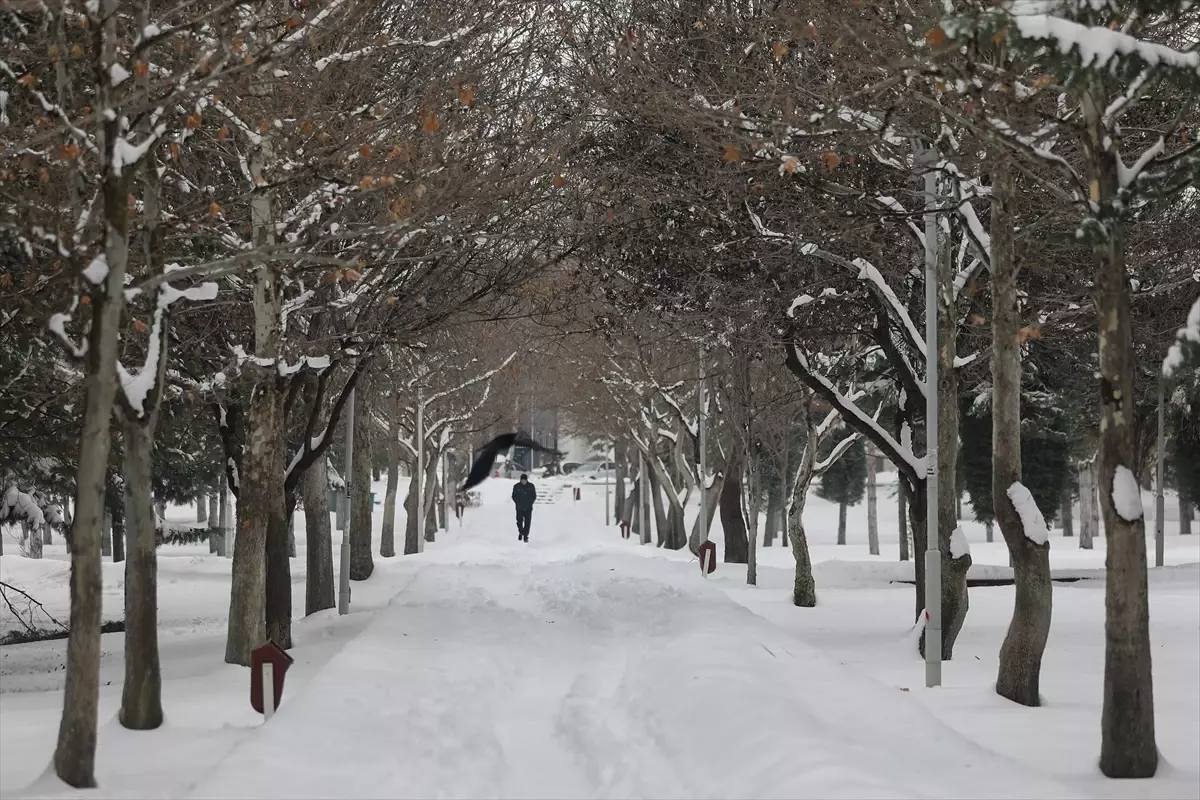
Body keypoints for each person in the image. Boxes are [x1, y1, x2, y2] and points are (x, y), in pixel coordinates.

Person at [512, 473, 536, 542]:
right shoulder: (516, 486)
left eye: (524, 480)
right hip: (519, 508)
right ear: (520, 480)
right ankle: (521, 531)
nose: (523, 481)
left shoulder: (531, 486)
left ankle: (525, 536)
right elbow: (514, 496)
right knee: (519, 521)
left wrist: (530, 502)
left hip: (528, 508)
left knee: (527, 523)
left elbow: (534, 496)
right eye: (522, 480)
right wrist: (518, 503)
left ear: (526, 480)